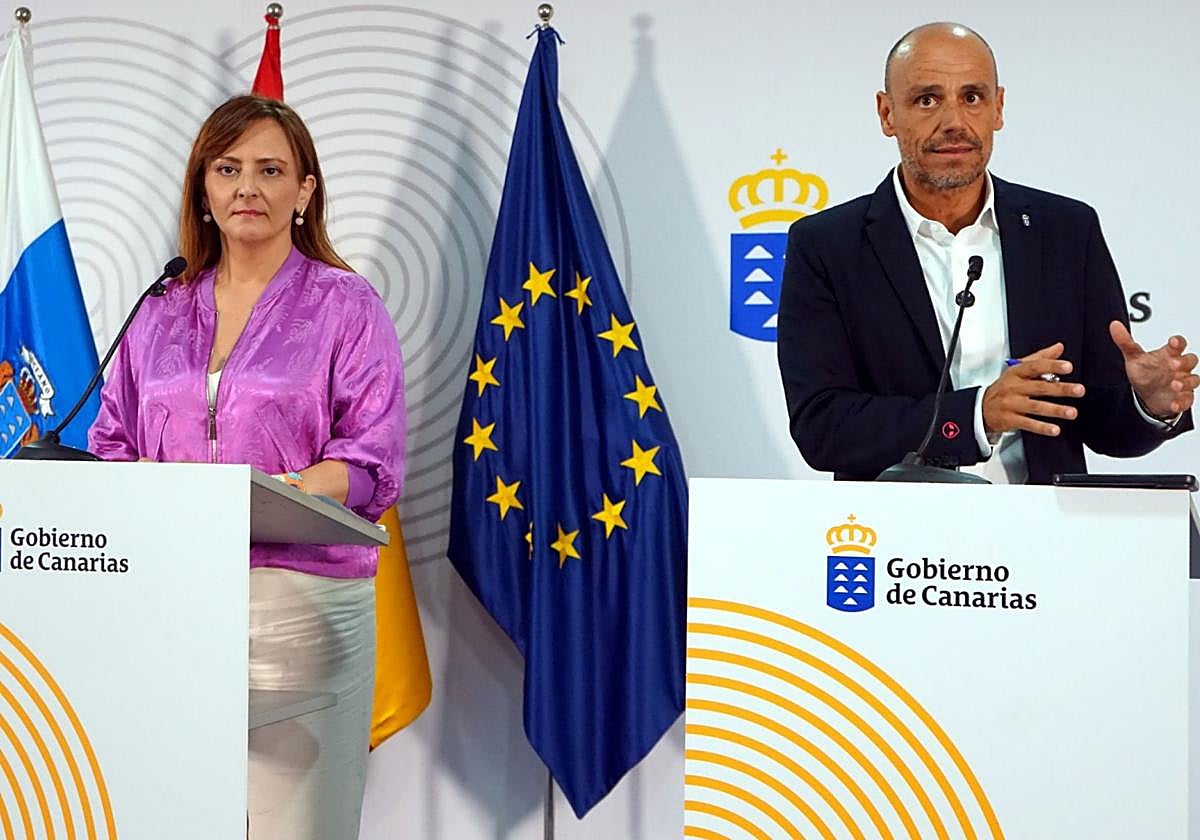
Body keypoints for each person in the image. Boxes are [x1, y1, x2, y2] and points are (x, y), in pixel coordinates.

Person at [88, 95, 405, 838]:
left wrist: (298, 489)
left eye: (270, 170)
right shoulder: (159, 308)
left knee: (292, 824)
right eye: (227, 169)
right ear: (203, 188)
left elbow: (373, 458)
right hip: (169, 597)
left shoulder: (347, 306)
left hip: (299, 602)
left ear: (304, 190)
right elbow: (112, 443)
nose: (247, 188)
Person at [777, 22, 1197, 483]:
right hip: (896, 523)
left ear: (998, 108)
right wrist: (977, 415)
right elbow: (822, 426)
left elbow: (1101, 422)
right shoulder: (827, 245)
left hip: (1045, 520)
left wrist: (1149, 404)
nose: (954, 122)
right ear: (887, 113)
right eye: (927, 99)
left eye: (972, 97)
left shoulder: (1066, 230)